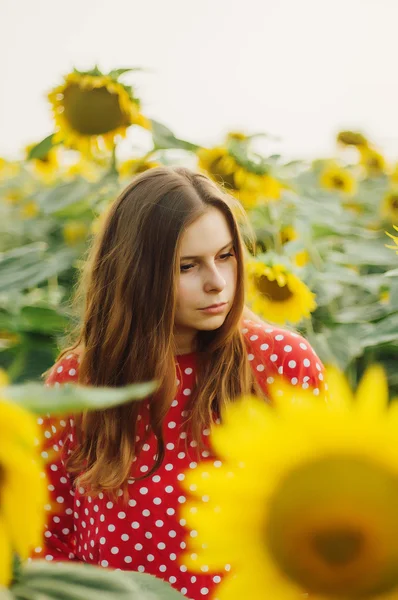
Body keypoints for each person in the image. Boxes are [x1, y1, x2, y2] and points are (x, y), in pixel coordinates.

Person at [33, 166, 325, 600]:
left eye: (226, 256)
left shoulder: (280, 365)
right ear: (136, 273)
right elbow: (48, 542)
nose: (217, 282)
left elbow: (325, 521)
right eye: (187, 266)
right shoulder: (79, 385)